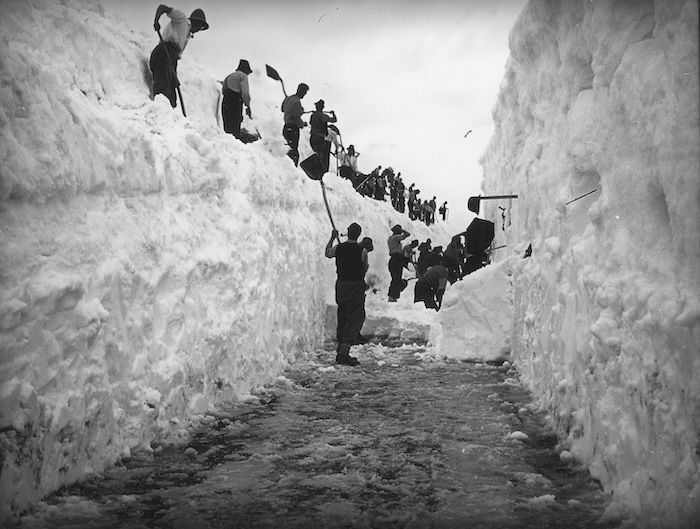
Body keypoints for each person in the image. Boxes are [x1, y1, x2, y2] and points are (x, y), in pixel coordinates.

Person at [325, 223, 368, 366]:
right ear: (359, 234)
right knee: (355, 317)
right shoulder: (362, 251)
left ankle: (340, 348)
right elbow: (364, 268)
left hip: (341, 285)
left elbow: (327, 253)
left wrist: (332, 238)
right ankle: (344, 352)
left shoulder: (339, 248)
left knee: (342, 315)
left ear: (347, 233)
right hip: (355, 286)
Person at [150, 5, 209, 108]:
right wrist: (156, 21)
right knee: (163, 83)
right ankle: (159, 107)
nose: (199, 30)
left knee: (173, 87)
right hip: (164, 51)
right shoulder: (182, 20)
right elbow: (162, 7)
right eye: (200, 27)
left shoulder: (187, 35)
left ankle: (170, 110)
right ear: (196, 22)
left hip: (172, 57)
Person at [221, 59, 252, 139]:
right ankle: (234, 140)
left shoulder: (229, 76)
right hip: (235, 100)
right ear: (245, 70)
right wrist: (248, 106)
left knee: (227, 124)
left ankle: (228, 141)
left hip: (225, 100)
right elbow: (245, 92)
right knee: (235, 123)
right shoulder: (243, 76)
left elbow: (223, 90)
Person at [282, 83, 309, 166]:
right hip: (293, 129)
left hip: (286, 127)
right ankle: (291, 169)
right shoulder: (297, 102)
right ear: (302, 91)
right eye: (304, 92)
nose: (304, 94)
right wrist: (302, 124)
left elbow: (282, 109)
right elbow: (296, 118)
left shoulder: (288, 99)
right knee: (293, 153)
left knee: (286, 150)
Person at [309, 99, 337, 172]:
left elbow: (310, 122)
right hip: (320, 138)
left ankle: (316, 169)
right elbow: (334, 120)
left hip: (312, 138)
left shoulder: (313, 115)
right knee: (321, 156)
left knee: (316, 154)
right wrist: (333, 113)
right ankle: (319, 171)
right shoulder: (323, 116)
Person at [387, 224, 410, 302]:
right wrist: (402, 230)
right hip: (397, 259)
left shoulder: (390, 238)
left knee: (395, 278)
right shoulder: (396, 237)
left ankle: (393, 295)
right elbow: (407, 234)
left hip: (393, 258)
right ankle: (393, 295)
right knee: (397, 278)